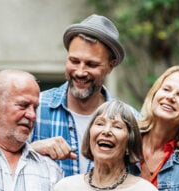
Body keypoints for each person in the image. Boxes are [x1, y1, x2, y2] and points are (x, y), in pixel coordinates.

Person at [30, 14, 140, 177]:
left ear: (110, 66)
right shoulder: (34, 108)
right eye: (74, 61)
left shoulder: (132, 120)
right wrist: (33, 150)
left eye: (91, 64)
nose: (80, 72)